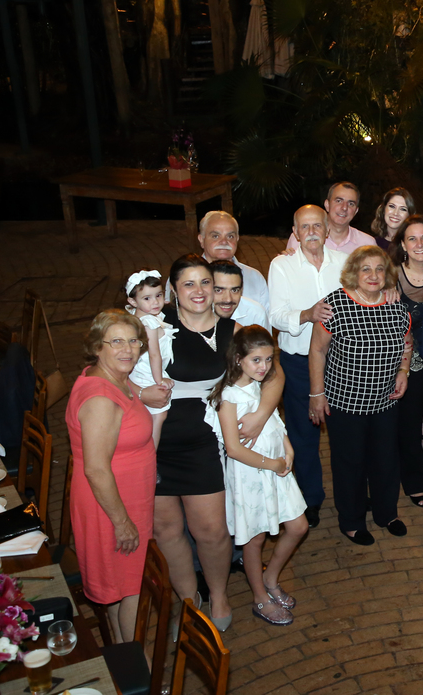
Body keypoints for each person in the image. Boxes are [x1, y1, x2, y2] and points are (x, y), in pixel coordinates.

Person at [158, 254, 281, 631]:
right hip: (154, 443)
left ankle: (219, 593)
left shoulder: (233, 331)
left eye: (205, 283)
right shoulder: (154, 324)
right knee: (165, 530)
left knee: (210, 531)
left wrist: (260, 415)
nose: (199, 291)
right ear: (174, 290)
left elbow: (274, 374)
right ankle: (187, 601)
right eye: (189, 284)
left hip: (205, 446)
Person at [309, 246, 412, 545]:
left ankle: (386, 513)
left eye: (379, 269)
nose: (373, 275)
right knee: (350, 463)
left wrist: (403, 370)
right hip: (345, 403)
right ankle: (352, 521)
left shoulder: (396, 305)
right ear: (354, 272)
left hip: (385, 401)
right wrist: (317, 394)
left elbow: (407, 341)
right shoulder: (335, 305)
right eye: (366, 268)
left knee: (386, 460)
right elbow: (317, 350)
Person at [65, 309, 156, 643]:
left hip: (125, 499)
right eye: (116, 342)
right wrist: (122, 522)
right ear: (96, 346)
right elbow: (96, 468)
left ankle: (121, 655)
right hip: (111, 506)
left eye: (133, 341)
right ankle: (137, 663)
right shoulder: (100, 399)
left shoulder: (113, 377)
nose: (127, 349)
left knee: (123, 587)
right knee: (132, 588)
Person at [206, 327, 308, 626]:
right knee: (255, 537)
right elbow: (234, 449)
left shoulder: (258, 385)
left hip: (276, 468)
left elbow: (273, 419)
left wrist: (287, 448)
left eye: (268, 359)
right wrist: (272, 464)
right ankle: (260, 597)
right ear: (238, 359)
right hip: (251, 474)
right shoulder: (229, 396)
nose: (264, 367)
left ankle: (270, 577)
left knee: (298, 527)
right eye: (256, 360)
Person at [268, 205, 350, 529]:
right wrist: (307, 314)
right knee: (304, 434)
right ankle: (310, 498)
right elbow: (276, 316)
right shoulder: (282, 265)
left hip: (341, 361)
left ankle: (351, 494)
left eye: (318, 225)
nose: (312, 232)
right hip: (299, 362)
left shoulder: (344, 263)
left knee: (346, 432)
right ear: (295, 232)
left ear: (328, 230)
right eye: (305, 226)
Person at [388, 215, 423, 504]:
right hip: (406, 362)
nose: (419, 244)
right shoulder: (391, 276)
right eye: (412, 239)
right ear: (403, 245)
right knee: (408, 425)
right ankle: (414, 482)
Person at [168, 211, 270, 314]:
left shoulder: (254, 277)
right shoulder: (182, 276)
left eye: (230, 236)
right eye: (215, 236)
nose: (224, 242)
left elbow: (266, 317)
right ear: (201, 240)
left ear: (237, 239)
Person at [124, 270, 173, 441]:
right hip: (148, 373)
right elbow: (154, 355)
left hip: (139, 371)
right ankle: (151, 451)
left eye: (158, 295)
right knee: (159, 415)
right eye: (147, 298)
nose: (155, 302)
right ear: (132, 301)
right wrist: (159, 380)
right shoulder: (149, 322)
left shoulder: (137, 316)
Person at [285, 181, 376, 255]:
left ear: (356, 211)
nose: (344, 208)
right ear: (327, 205)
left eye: (351, 203)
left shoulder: (367, 244)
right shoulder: (301, 238)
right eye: (339, 201)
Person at [210, 260, 270, 331]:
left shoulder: (256, 315)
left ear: (241, 290)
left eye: (234, 290)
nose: (228, 299)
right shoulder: (197, 313)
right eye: (218, 290)